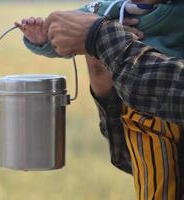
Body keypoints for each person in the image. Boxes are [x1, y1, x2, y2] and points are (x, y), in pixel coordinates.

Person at [15, 0, 184, 199]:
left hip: (166, 105)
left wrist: (101, 37)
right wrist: (42, 38)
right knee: (156, 181)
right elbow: (68, 29)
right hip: (140, 115)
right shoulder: (112, 9)